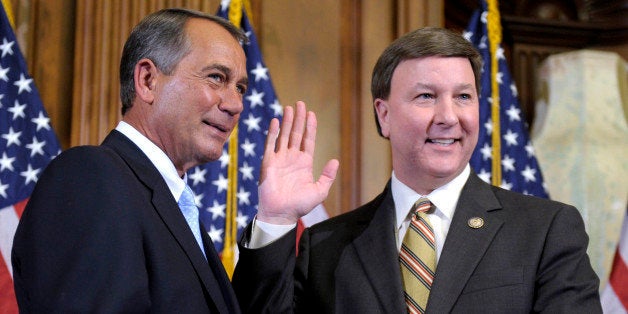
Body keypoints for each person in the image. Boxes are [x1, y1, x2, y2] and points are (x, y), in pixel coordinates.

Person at [233, 27, 602, 313]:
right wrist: (276, 218)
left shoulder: (545, 231)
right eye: (426, 96)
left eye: (463, 96)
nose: (448, 117)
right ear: (384, 114)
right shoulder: (326, 246)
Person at [11, 8, 338, 313]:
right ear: (148, 81)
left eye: (240, 87)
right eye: (216, 77)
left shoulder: (175, 206)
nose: (236, 104)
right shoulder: (89, 178)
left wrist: (275, 219)